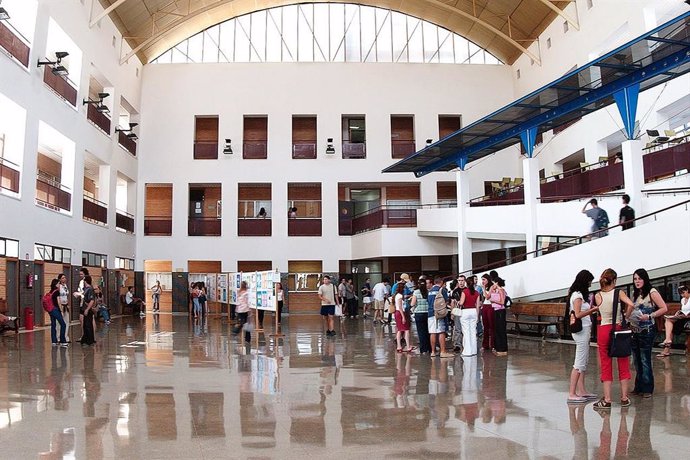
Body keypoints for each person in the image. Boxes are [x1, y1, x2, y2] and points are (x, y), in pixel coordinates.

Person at [593, 268, 635, 410]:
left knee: (606, 364)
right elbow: (631, 304)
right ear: (615, 280)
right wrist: (626, 316)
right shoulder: (619, 292)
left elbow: (597, 312)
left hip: (603, 330)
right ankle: (624, 397)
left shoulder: (597, 295)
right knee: (623, 362)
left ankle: (607, 399)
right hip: (618, 329)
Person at [626, 268, 668, 397]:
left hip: (647, 329)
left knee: (645, 359)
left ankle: (647, 388)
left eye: (639, 279)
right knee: (636, 359)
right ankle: (638, 386)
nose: (637, 281)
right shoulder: (635, 293)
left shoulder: (652, 292)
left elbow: (664, 308)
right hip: (634, 329)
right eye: (635, 279)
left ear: (645, 279)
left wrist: (650, 316)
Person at [566, 270, 599, 403]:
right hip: (581, 331)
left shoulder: (576, 294)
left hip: (584, 331)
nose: (590, 284)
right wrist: (592, 310)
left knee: (583, 362)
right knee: (579, 363)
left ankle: (582, 390)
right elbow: (578, 314)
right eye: (589, 281)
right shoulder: (578, 296)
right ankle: (572, 393)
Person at [658, 285, 690, 357]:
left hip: (688, 319)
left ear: (687, 290)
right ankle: (668, 340)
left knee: (669, 323)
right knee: (668, 320)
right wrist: (679, 312)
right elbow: (684, 310)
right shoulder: (682, 300)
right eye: (680, 294)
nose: (682, 295)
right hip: (682, 318)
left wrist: (686, 315)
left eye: (683, 293)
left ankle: (667, 346)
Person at [428, 276, 453, 358]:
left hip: (430, 313)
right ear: (441, 282)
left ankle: (433, 351)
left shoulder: (430, 291)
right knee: (441, 332)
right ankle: (443, 351)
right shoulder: (442, 290)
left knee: (432, 332)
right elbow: (446, 301)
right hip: (439, 313)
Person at [459, 275, 482, 357]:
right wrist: (477, 316)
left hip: (465, 311)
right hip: (474, 312)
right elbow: (477, 305)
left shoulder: (464, 292)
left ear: (467, 283)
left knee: (466, 332)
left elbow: (461, 303)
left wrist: (458, 302)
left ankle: (467, 351)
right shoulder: (477, 293)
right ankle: (474, 350)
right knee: (473, 331)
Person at [410, 276, 431, 354]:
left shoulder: (416, 292)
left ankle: (423, 349)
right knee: (428, 331)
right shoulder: (428, 291)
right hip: (428, 313)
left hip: (419, 313)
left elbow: (412, 303)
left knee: (421, 332)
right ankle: (430, 348)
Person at [489, 277, 509, 356]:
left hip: (500, 311)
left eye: (493, 283)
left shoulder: (501, 290)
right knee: (497, 329)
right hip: (497, 311)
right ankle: (498, 348)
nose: (492, 285)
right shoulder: (497, 291)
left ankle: (502, 349)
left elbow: (502, 302)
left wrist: (493, 300)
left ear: (496, 283)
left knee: (501, 330)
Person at [47, 278, 68, 346]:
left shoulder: (51, 292)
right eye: (58, 283)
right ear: (56, 284)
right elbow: (58, 302)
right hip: (55, 309)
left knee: (53, 325)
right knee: (63, 324)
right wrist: (61, 310)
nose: (59, 285)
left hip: (50, 310)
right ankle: (63, 341)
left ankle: (54, 341)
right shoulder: (57, 292)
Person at [394, 282, 414, 353]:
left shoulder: (397, 295)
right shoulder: (399, 296)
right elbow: (400, 307)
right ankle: (408, 346)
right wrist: (403, 317)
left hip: (397, 313)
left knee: (400, 330)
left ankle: (399, 346)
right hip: (400, 313)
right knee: (406, 330)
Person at [451, 276, 466, 353]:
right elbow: (452, 302)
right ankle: (457, 345)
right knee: (457, 329)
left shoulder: (467, 290)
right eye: (459, 280)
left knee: (465, 329)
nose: (461, 282)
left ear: (465, 281)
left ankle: (466, 344)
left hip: (466, 311)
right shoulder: (455, 291)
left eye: (462, 280)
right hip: (458, 311)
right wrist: (452, 312)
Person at [73, 268, 89, 339]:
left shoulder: (86, 282)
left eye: (82, 274)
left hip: (86, 302)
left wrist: (78, 294)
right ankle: (84, 335)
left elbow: (85, 292)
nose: (80, 275)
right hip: (82, 302)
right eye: (79, 274)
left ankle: (85, 336)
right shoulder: (81, 282)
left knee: (85, 320)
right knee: (82, 319)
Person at [80, 276, 96, 345]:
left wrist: (87, 309)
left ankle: (90, 340)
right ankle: (85, 339)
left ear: (85, 281)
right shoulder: (85, 289)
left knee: (88, 325)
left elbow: (92, 300)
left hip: (87, 309)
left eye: (84, 281)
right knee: (85, 325)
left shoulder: (90, 289)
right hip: (84, 308)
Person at [481, 274, 494, 351]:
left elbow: (488, 296)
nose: (482, 281)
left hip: (490, 306)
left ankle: (493, 344)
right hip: (485, 306)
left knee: (491, 325)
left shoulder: (491, 287)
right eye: (482, 280)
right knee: (485, 326)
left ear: (488, 280)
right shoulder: (484, 287)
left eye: (484, 279)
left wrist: (483, 288)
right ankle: (485, 345)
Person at [57, 274, 70, 340]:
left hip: (66, 305)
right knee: (60, 322)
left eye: (65, 277)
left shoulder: (65, 286)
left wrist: (68, 304)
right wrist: (60, 307)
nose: (64, 279)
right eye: (62, 278)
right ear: (59, 279)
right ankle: (59, 337)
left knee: (66, 321)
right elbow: (58, 297)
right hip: (61, 305)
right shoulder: (58, 286)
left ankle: (65, 336)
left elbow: (66, 295)